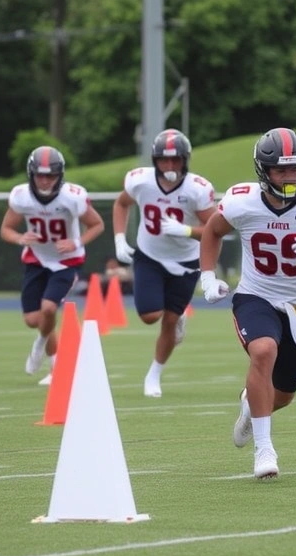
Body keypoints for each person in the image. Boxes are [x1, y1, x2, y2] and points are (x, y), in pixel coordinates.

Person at [200, 127, 296, 479]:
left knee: (283, 395)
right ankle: (264, 450)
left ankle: (248, 407)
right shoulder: (242, 201)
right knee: (263, 350)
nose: (289, 177)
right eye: (281, 170)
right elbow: (211, 230)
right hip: (255, 294)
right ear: (263, 171)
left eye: (295, 169)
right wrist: (207, 276)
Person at [111, 129, 216, 398]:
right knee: (149, 316)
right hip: (151, 255)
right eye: (164, 160)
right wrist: (120, 238)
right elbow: (121, 204)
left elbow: (217, 227)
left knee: (169, 321)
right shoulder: (140, 180)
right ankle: (176, 314)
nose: (169, 166)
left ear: (185, 160)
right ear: (155, 160)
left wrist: (186, 231)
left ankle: (154, 374)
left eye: (175, 160)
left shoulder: (196, 189)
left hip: (186, 260)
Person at [0, 146, 104, 385]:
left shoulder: (72, 197)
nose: (45, 180)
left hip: (67, 261)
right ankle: (56, 366)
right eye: (40, 175)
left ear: (60, 175)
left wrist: (76, 241)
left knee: (48, 309)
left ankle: (39, 345)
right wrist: (20, 238)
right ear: (31, 174)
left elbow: (97, 224)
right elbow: (6, 229)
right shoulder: (21, 196)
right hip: (36, 259)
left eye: (51, 175)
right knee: (32, 319)